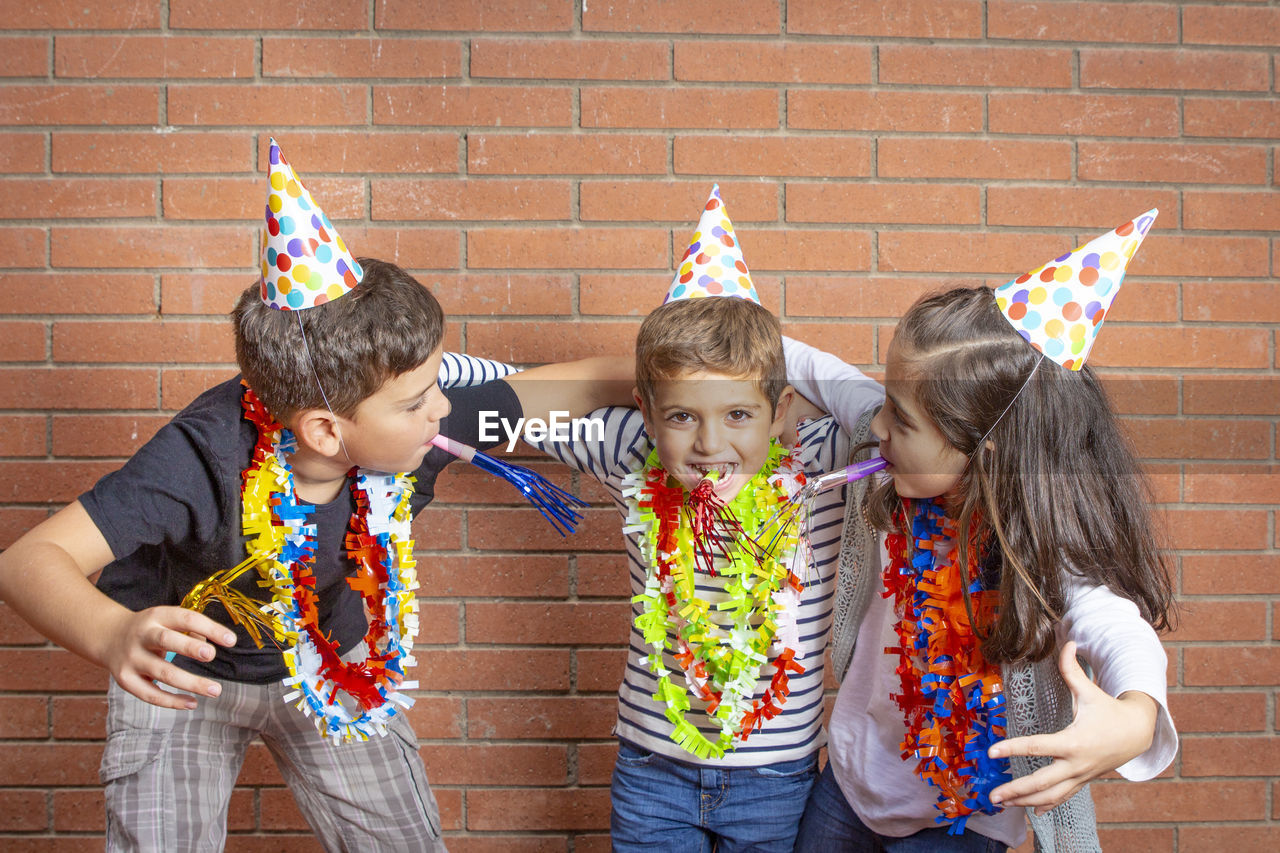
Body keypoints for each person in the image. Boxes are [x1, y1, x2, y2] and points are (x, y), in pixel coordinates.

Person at [0, 139, 626, 852]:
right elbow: (28, 560)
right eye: (419, 399)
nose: (441, 411)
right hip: (183, 681)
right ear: (328, 429)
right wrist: (113, 634)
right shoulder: (202, 455)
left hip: (335, 665)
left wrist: (680, 381)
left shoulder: (420, 421)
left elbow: (560, 388)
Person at [787, 210, 1178, 851]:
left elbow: (1118, 627)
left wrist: (1136, 719)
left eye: (902, 418)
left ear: (985, 449)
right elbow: (798, 359)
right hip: (851, 785)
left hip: (968, 813)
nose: (878, 426)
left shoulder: (1041, 550)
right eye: (884, 400)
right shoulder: (890, 459)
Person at [523, 186, 883, 852]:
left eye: (739, 413)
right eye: (683, 415)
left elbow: (898, 420)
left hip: (777, 778)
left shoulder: (825, 460)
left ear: (781, 411)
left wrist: (781, 359)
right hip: (651, 770)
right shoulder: (631, 448)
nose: (711, 444)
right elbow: (499, 396)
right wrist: (637, 376)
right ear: (646, 410)